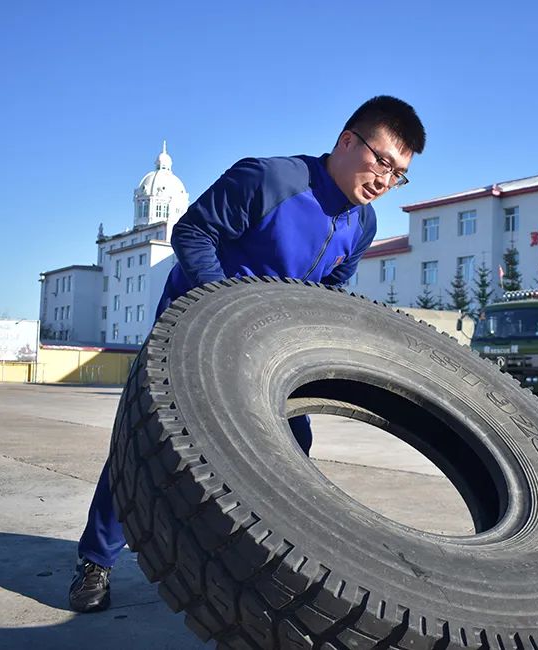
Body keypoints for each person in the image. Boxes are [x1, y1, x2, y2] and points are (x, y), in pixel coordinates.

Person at [69, 96, 426, 613]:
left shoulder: (361, 226)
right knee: (142, 443)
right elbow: (193, 231)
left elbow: (326, 295)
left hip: (268, 351)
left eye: (399, 175)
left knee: (292, 443)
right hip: (189, 328)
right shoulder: (269, 180)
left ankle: (251, 561)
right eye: (383, 161)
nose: (386, 181)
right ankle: (96, 560)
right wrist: (221, 307)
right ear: (348, 141)